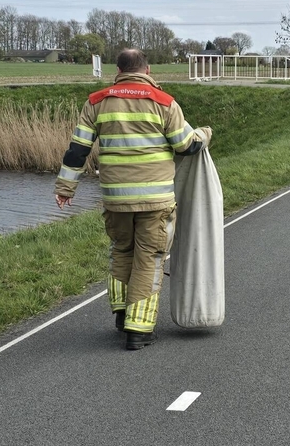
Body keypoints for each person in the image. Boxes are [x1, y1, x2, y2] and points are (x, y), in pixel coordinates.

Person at [54, 48, 211, 350]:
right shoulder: (164, 102)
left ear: (118, 69)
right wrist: (204, 134)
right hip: (155, 200)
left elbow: (77, 150)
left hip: (116, 199)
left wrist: (65, 188)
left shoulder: (96, 102)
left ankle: (121, 314)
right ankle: (139, 330)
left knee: (121, 250)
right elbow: (184, 145)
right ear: (148, 70)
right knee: (150, 259)